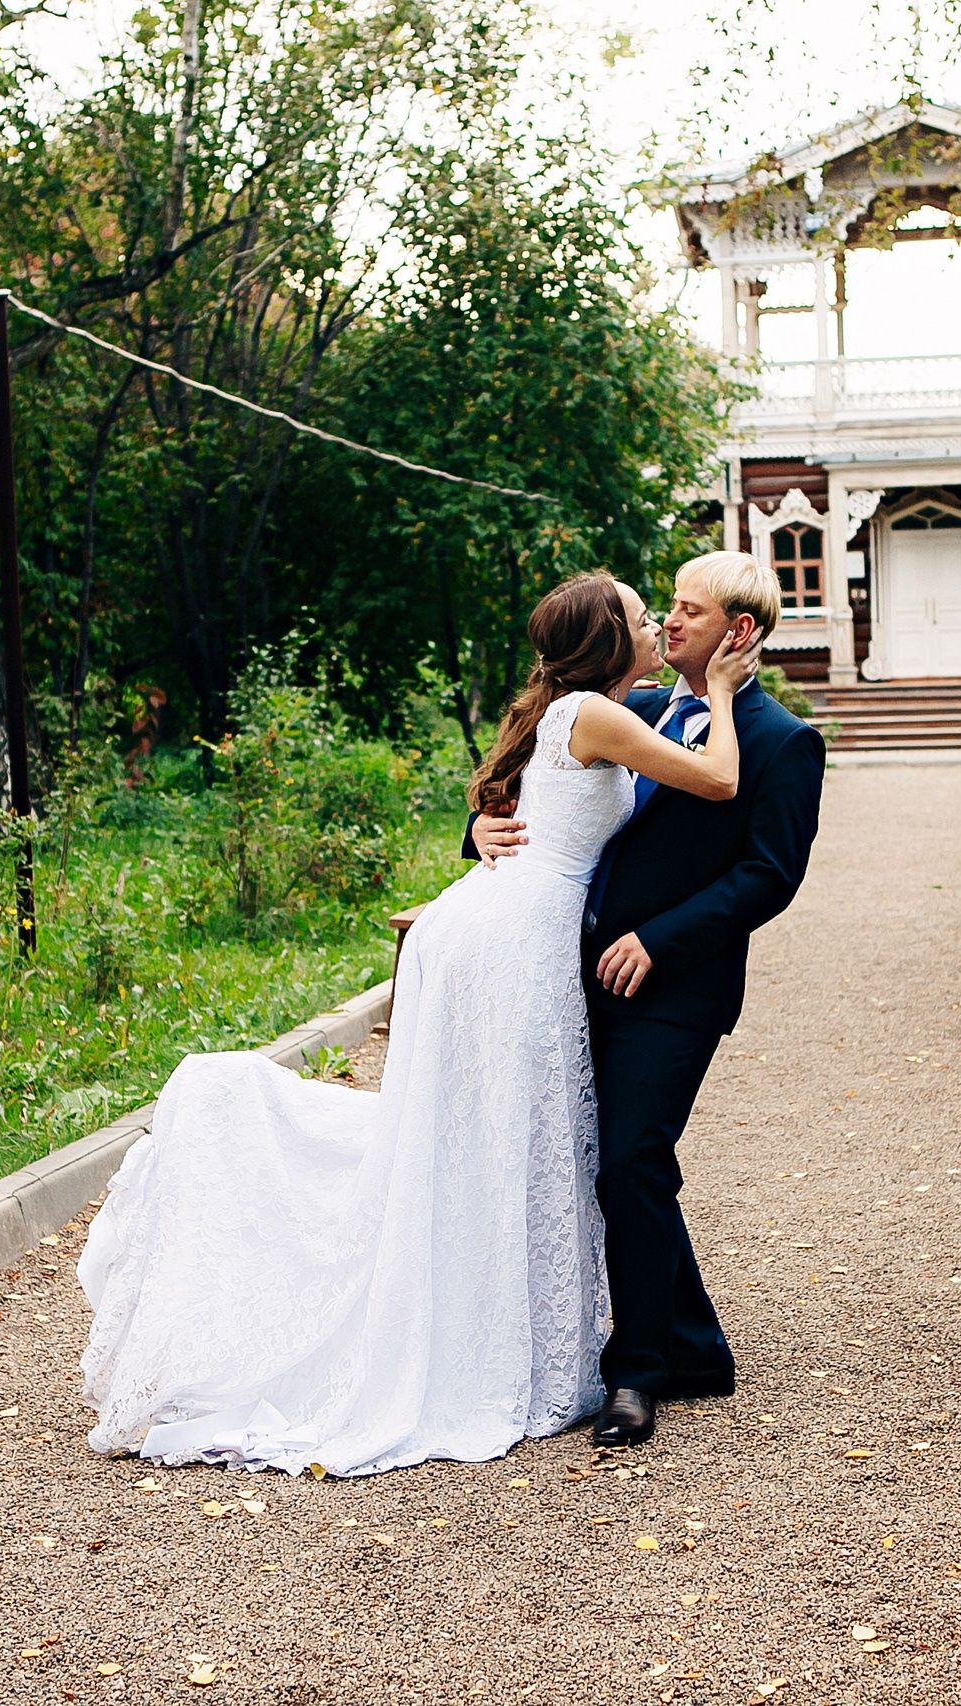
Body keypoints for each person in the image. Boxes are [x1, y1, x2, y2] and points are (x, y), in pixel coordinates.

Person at [76, 571, 762, 1477]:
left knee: (500, 1134)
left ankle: (511, 1325)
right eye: (644, 617)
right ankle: (486, 1339)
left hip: (497, 922)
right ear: (609, 644)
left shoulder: (578, 711)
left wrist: (485, 820)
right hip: (512, 938)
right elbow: (715, 778)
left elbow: (532, 800)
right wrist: (716, 689)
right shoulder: (597, 714)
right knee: (509, 1133)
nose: (658, 625)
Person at [470, 550, 825, 1449]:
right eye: (662, 608)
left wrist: (658, 942)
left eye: (689, 611)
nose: (668, 624)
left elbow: (768, 877)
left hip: (676, 990)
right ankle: (695, 1346)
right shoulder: (628, 709)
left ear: (738, 633)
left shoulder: (784, 741)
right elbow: (534, 788)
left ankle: (636, 1373)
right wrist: (477, 827)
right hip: (565, 975)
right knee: (613, 1158)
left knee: (628, 1156)